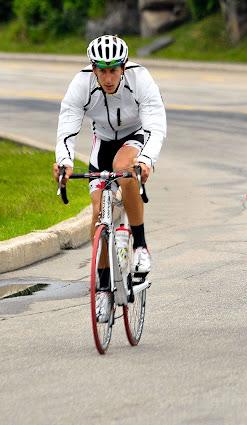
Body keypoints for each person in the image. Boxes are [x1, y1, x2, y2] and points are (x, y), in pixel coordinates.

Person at [52, 35, 167, 320]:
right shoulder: (81, 84)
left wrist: (147, 160)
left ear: (123, 67)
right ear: (93, 69)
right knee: (97, 212)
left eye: (113, 69)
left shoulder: (140, 79)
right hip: (102, 142)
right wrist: (64, 163)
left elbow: (155, 123)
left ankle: (140, 245)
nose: (107, 77)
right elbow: (67, 128)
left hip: (136, 138)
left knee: (124, 168)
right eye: (101, 70)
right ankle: (103, 288)